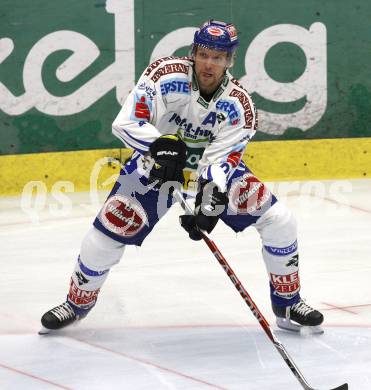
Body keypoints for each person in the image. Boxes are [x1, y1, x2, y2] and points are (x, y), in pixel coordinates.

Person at [40, 19, 323, 334]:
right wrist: (159, 146)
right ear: (193, 53)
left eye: (218, 57)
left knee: (280, 221)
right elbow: (126, 121)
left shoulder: (240, 106)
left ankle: (287, 303)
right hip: (154, 168)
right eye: (203, 54)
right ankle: (76, 303)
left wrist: (209, 202)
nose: (209, 63)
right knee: (105, 236)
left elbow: (222, 159)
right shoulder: (164, 75)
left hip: (203, 172)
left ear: (230, 61)